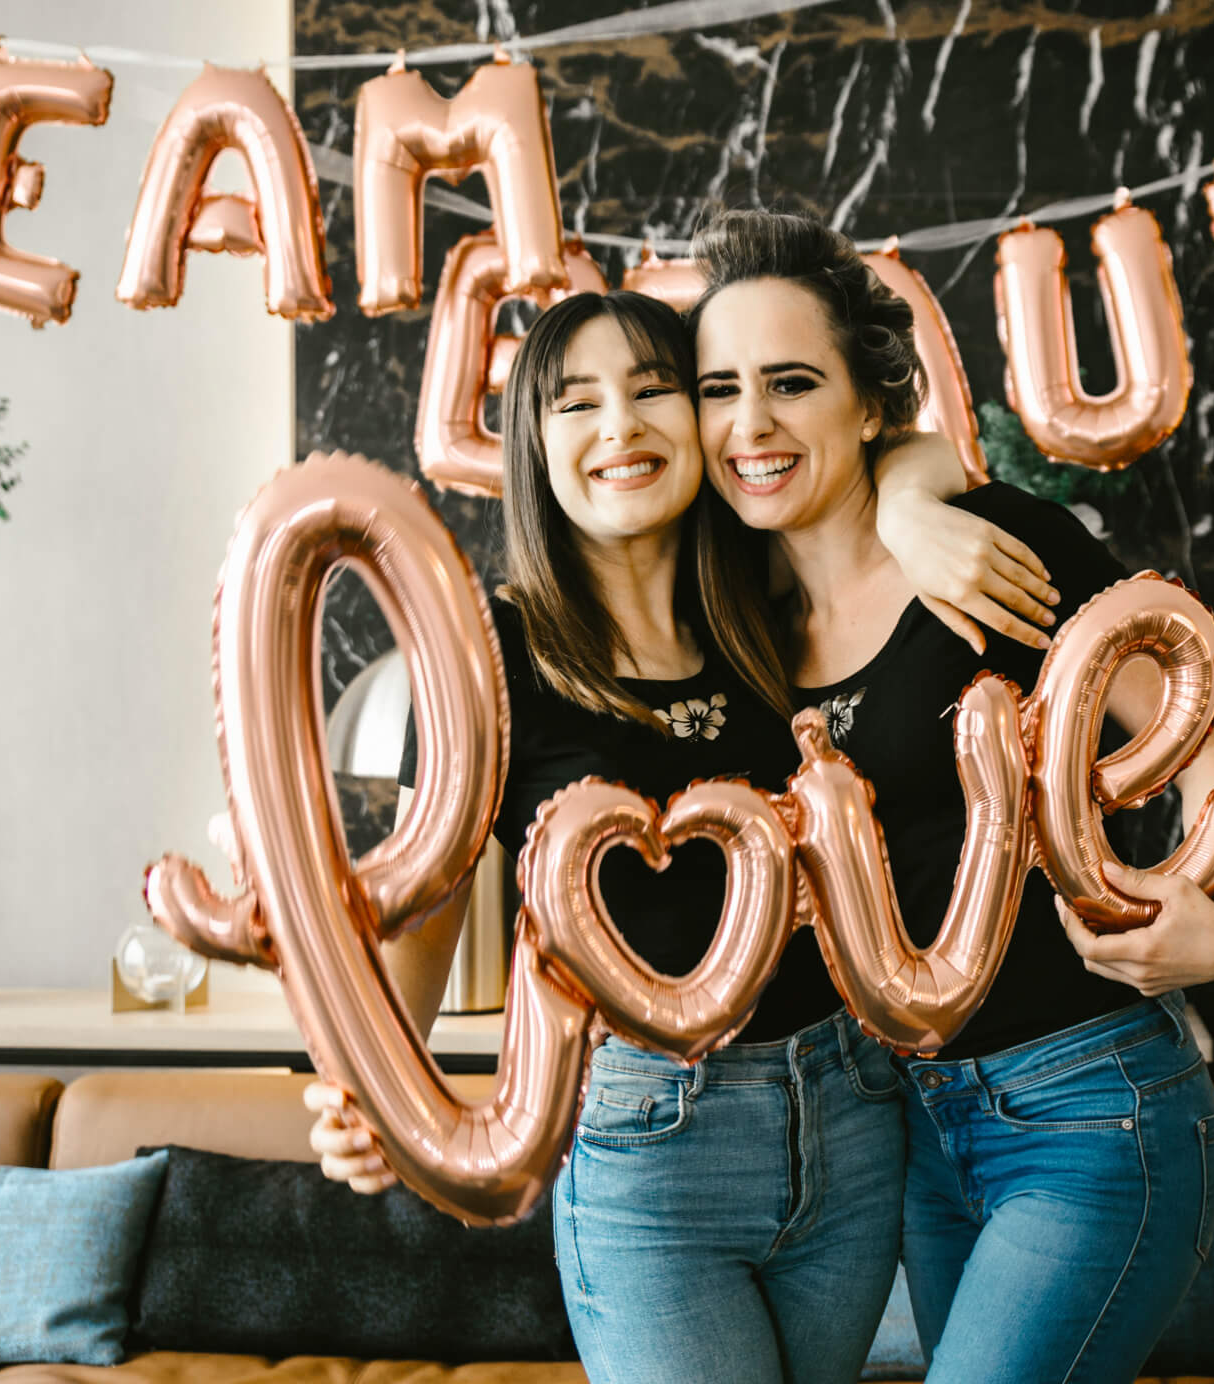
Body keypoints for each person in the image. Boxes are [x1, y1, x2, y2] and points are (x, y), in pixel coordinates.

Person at [305, 286, 1058, 1384]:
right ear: (534, 445)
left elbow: (906, 451)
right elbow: (425, 899)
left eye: (654, 389)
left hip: (850, 1116)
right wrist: (377, 1086)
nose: (622, 427)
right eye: (577, 403)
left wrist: (909, 508)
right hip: (649, 1146)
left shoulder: (770, 601)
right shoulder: (490, 657)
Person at [685, 209, 1214, 1384]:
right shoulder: (722, 607)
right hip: (902, 1133)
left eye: (792, 383)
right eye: (718, 388)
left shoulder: (993, 549)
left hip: (1090, 1110)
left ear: (867, 405)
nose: (750, 424)